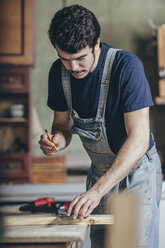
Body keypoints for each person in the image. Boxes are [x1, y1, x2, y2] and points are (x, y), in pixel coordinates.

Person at [39, 4, 162, 248]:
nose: (73, 68)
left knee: (130, 244)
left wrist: (96, 192)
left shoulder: (126, 67)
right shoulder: (59, 74)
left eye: (80, 58)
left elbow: (138, 140)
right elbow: (62, 125)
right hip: (100, 172)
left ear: (96, 43)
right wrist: (55, 141)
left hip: (136, 173)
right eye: (65, 59)